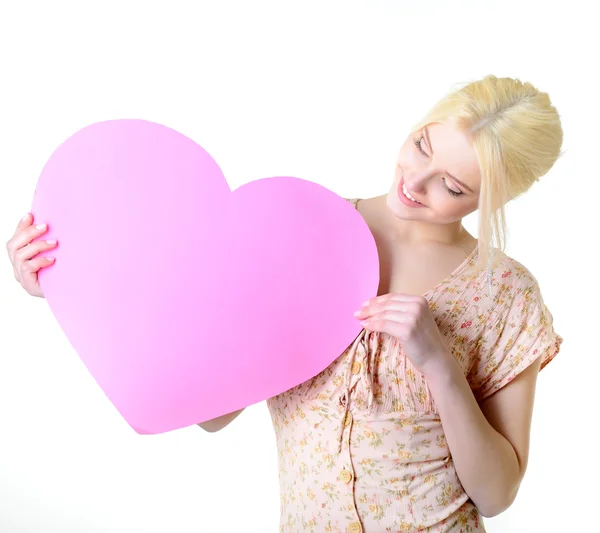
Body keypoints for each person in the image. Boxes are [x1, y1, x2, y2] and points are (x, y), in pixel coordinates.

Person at [6, 74, 563, 532]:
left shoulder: (505, 293)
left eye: (453, 186)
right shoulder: (306, 233)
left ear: (495, 198)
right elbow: (211, 414)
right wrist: (70, 282)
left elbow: (496, 495)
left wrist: (440, 365)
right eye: (421, 145)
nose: (415, 182)